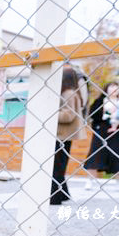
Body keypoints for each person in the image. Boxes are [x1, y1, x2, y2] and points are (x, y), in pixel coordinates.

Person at [51, 66, 85, 205]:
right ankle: (62, 194)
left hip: (62, 135)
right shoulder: (71, 92)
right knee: (59, 166)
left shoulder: (68, 94)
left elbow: (69, 115)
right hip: (65, 136)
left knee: (56, 167)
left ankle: (55, 197)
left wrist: (50, 113)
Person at [84, 81, 119, 185]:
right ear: (106, 89)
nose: (113, 90)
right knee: (95, 153)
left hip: (116, 131)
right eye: (111, 87)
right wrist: (107, 112)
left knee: (115, 154)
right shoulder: (100, 101)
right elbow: (93, 114)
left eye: (116, 88)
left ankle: (118, 181)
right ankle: (90, 180)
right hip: (101, 130)